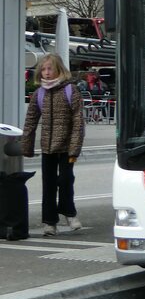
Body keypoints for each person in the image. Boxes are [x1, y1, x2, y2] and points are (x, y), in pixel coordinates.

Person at [20, 54, 84, 236]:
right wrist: (27, 146)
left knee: (65, 180)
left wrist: (75, 148)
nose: (46, 73)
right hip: (47, 147)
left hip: (66, 147)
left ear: (59, 70)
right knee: (48, 184)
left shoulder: (70, 90)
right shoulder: (39, 93)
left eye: (50, 69)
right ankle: (49, 222)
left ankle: (69, 212)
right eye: (43, 69)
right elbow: (31, 121)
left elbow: (78, 121)